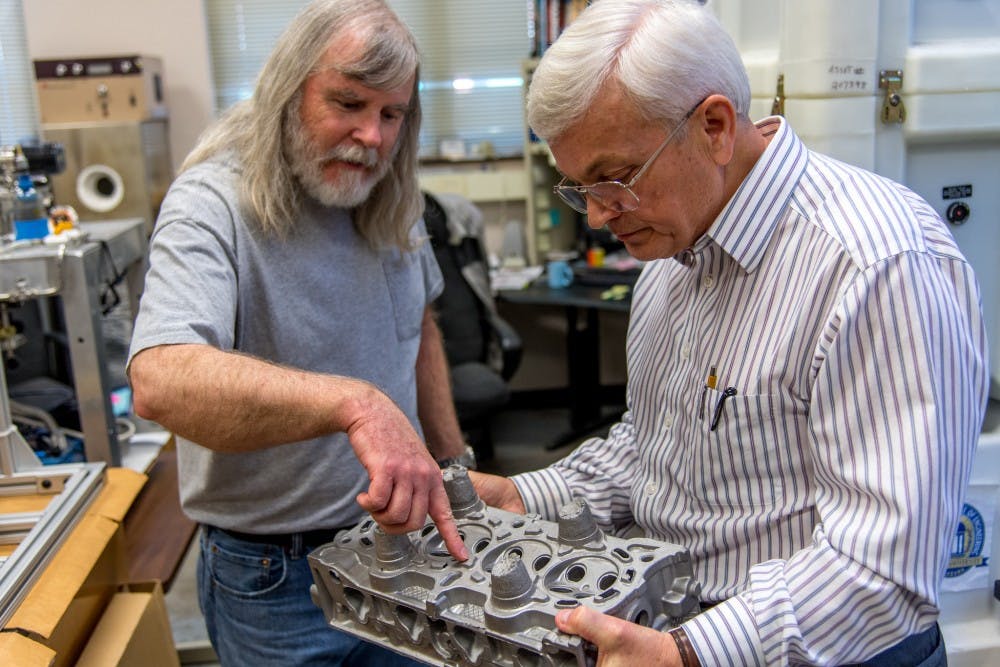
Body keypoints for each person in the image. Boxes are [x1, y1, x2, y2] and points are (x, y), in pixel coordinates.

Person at [471, 1, 990, 665]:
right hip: (678, 626)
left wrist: (687, 652)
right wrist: (521, 495)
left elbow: (880, 574)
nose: (599, 215)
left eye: (615, 178)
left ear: (714, 126)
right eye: (578, 187)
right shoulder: (671, 254)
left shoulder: (877, 266)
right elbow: (656, 448)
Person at [126, 1, 470, 664]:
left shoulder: (390, 193)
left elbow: (418, 325)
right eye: (348, 103)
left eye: (391, 114)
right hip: (275, 579)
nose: (372, 136)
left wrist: (455, 467)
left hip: (403, 551)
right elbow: (159, 378)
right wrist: (355, 403)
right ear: (289, 92)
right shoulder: (211, 202)